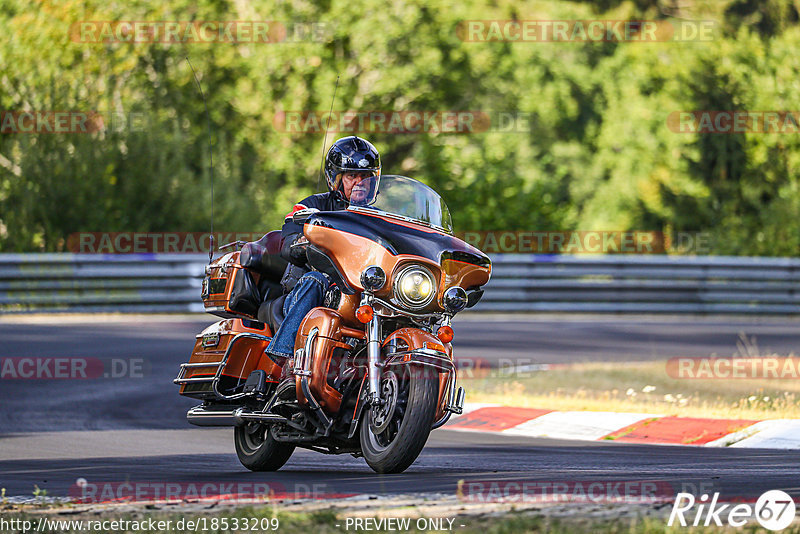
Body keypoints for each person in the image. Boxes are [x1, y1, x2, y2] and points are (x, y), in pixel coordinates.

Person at [264, 136, 380, 363]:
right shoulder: (312, 207)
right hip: (304, 292)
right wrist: (305, 243)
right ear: (335, 178)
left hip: (359, 293)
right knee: (315, 280)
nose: (359, 183)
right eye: (351, 176)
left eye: (365, 177)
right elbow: (288, 244)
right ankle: (287, 359)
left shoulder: (381, 217)